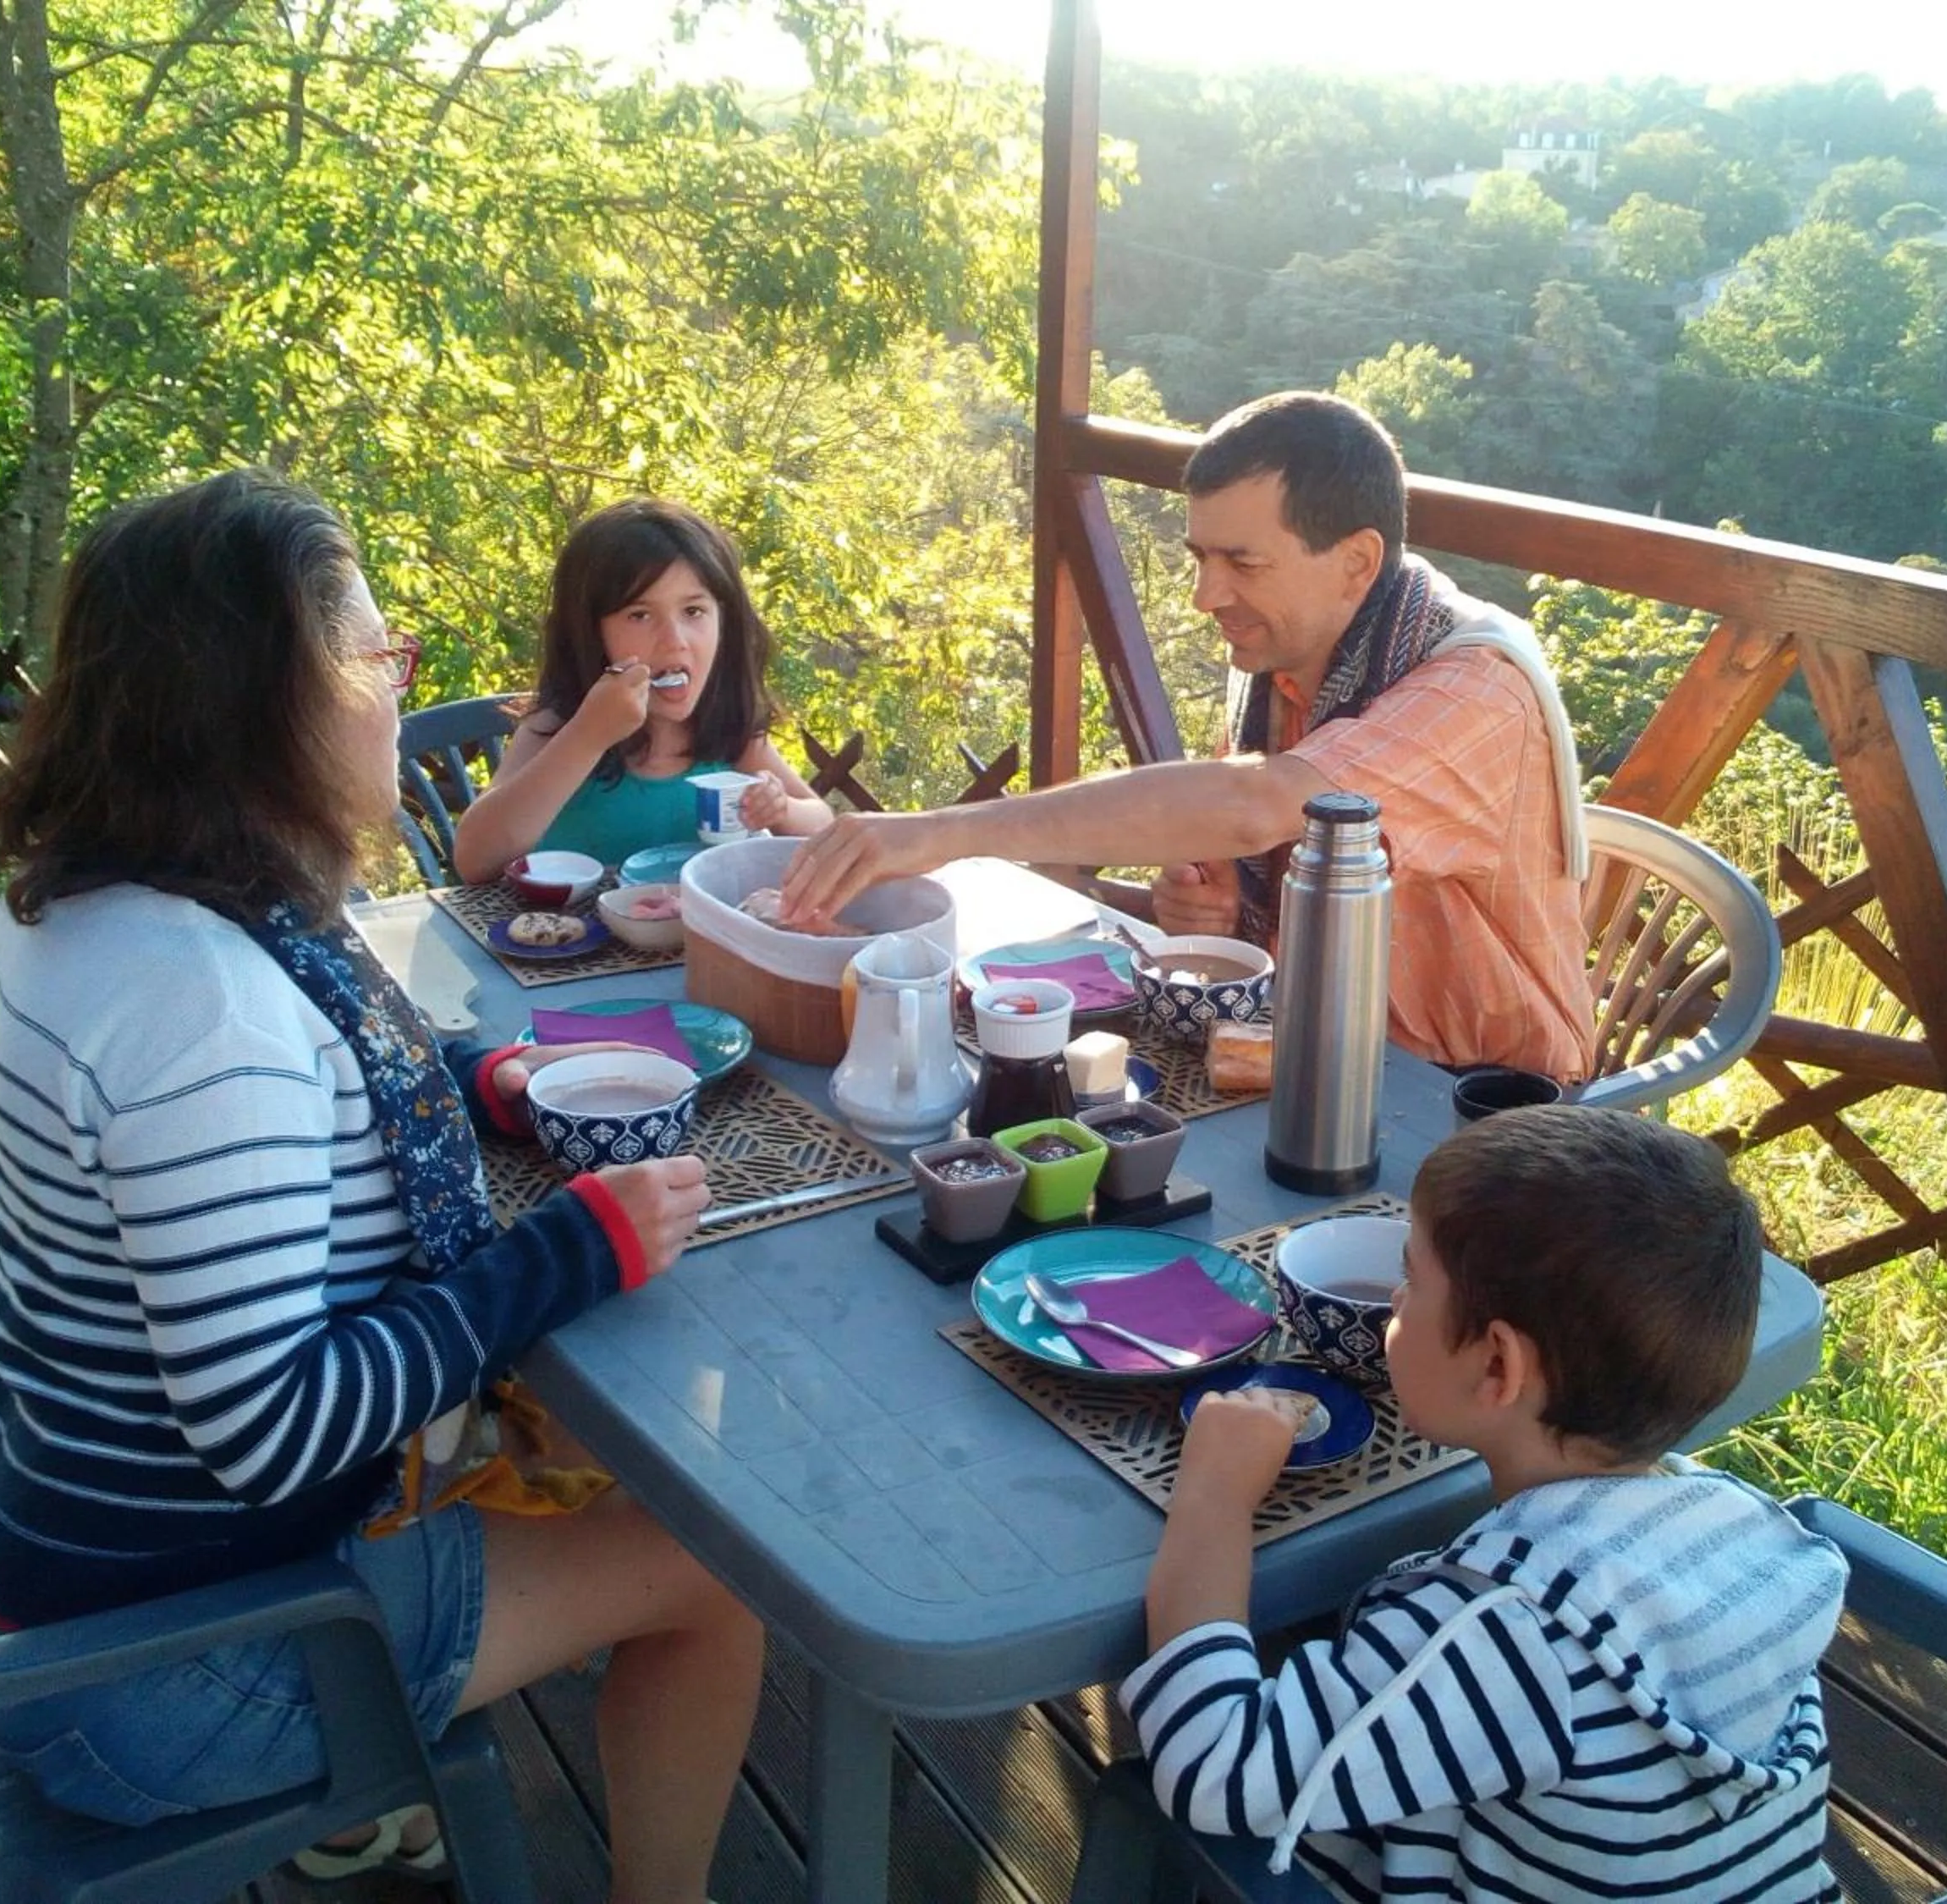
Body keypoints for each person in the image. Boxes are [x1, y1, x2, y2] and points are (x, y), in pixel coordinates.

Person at [0, 470, 763, 1903]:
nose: (394, 689)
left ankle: (403, 1773)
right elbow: (270, 1427)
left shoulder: (102, 897)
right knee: (723, 1566)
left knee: (589, 1459)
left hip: (41, 1563)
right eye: (375, 657)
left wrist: (478, 1083)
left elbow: (328, 1063)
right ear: (265, 696)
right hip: (159, 1671)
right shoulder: (197, 1005)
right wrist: (564, 1253)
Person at [1124, 1107, 1846, 1901]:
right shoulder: (1737, 1530)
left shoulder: (1502, 1637)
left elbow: (1213, 1766)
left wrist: (1214, 1497)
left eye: (1413, 1281)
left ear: (1498, 1365)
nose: (1396, 1301)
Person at [778, 392, 1592, 1078]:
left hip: (1481, 1106)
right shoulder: (1296, 655)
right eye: (1200, 557)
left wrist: (946, 834)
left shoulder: (1474, 691)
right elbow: (1262, 843)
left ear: (1356, 562)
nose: (1207, 595)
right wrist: (1227, 911)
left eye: (1242, 562)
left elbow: (1257, 805)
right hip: (1308, 1052)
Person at [453, 496, 833, 878]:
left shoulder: (728, 734)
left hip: (694, 936)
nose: (674, 640)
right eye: (639, 615)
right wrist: (587, 736)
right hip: (569, 933)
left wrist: (781, 807)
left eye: (693, 611)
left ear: (725, 622)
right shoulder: (555, 727)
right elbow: (473, 860)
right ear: (590, 634)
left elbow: (823, 825)